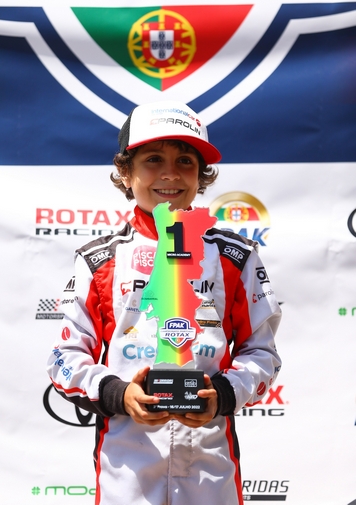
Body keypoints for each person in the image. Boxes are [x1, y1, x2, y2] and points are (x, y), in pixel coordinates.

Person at [47, 100, 282, 505]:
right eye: (153, 159)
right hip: (126, 471)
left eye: (185, 161)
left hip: (210, 467)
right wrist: (118, 394)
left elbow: (262, 353)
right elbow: (64, 358)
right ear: (125, 172)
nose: (170, 174)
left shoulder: (235, 256)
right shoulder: (99, 260)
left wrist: (223, 395)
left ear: (201, 174)